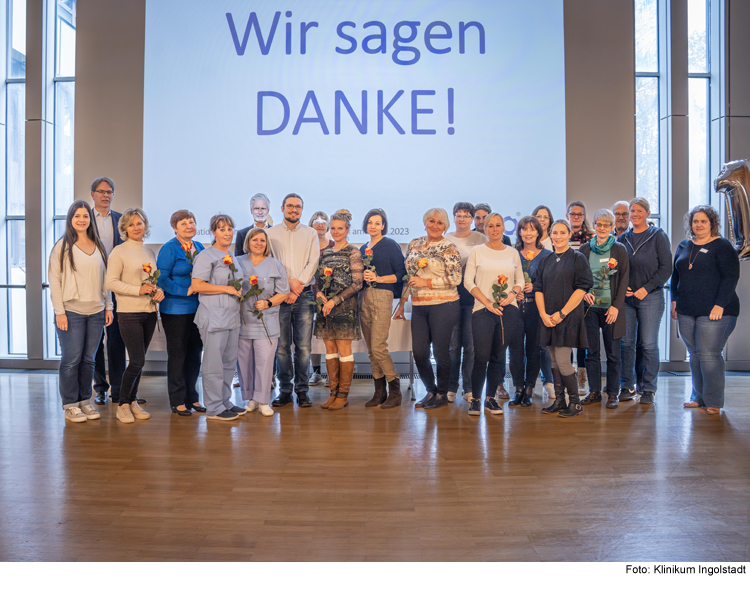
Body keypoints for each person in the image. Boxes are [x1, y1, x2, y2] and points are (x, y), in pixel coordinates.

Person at [671, 205, 739, 415]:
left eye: (703, 221)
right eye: (695, 221)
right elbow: (675, 277)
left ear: (712, 223)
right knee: (694, 355)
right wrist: (674, 301)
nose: (698, 225)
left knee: (709, 354)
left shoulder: (722, 245)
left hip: (716, 311)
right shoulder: (684, 246)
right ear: (691, 224)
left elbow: (730, 277)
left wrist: (719, 304)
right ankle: (697, 397)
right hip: (686, 310)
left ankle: (714, 400)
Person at [49, 201, 113, 423]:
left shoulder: (98, 246)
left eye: (85, 216)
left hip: (96, 312)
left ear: (90, 219)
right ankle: (70, 405)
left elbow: (106, 280)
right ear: (70, 219)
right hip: (71, 311)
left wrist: (108, 306)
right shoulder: (62, 246)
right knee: (71, 359)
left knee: (89, 360)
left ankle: (85, 401)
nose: (82, 220)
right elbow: (54, 281)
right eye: (77, 216)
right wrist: (59, 312)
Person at [394, 208, 461, 410]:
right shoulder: (414, 244)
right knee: (420, 352)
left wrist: (427, 282)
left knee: (441, 353)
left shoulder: (449, 247)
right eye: (432, 221)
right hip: (419, 306)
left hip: (444, 305)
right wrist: (402, 304)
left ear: (445, 226)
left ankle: (442, 393)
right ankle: (430, 390)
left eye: (440, 223)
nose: (435, 225)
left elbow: (456, 278)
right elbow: (409, 276)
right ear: (425, 222)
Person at [105, 208, 164, 423]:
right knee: (137, 360)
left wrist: (157, 291)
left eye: (140, 223)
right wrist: (136, 290)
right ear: (124, 229)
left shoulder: (149, 252)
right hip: (128, 312)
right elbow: (110, 282)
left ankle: (132, 402)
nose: (136, 227)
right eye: (131, 224)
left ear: (145, 226)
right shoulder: (118, 252)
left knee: (140, 361)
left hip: (149, 312)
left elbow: (151, 282)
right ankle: (122, 404)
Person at [464, 213, 525, 416]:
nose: (495, 229)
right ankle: (475, 399)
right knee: (481, 355)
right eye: (490, 225)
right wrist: (488, 302)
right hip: (482, 309)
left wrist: (513, 294)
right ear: (485, 228)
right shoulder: (477, 252)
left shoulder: (513, 253)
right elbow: (468, 282)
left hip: (508, 310)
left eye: (498, 225)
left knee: (498, 355)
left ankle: (490, 399)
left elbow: (520, 281)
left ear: (503, 228)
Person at [191, 214, 249, 421]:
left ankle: (225, 401)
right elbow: (197, 285)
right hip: (213, 316)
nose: (227, 233)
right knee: (213, 364)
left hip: (232, 317)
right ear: (213, 232)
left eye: (230, 228)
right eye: (222, 229)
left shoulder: (232, 256)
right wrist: (227, 289)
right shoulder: (206, 256)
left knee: (228, 363)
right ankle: (214, 407)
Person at [534, 220, 594, 418]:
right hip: (548, 317)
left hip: (567, 317)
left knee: (562, 360)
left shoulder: (578, 258)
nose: (557, 236)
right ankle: (560, 400)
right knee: (552, 360)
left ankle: (575, 403)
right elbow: (538, 289)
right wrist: (543, 314)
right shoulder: (546, 260)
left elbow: (581, 288)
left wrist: (562, 314)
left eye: (562, 232)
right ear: (550, 235)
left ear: (569, 234)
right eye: (554, 233)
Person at [617, 197, 671, 404]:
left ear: (648, 213)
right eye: (632, 211)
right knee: (626, 343)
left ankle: (648, 388)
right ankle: (627, 386)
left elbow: (666, 268)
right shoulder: (623, 239)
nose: (634, 214)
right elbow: (617, 269)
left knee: (648, 344)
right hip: (627, 300)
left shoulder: (658, 236)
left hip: (651, 297)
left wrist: (645, 289)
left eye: (639, 211)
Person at [267, 193, 319, 407]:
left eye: (298, 207)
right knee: (282, 347)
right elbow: (269, 262)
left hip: (303, 295)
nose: (294, 210)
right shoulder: (270, 233)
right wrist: (287, 284)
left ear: (302, 210)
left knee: (304, 347)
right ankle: (285, 391)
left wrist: (297, 288)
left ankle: (303, 391)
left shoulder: (311, 233)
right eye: (290, 206)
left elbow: (313, 261)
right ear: (282, 208)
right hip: (279, 295)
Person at [579, 210, 630, 409]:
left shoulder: (619, 250)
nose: (601, 228)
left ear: (612, 227)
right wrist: (583, 293)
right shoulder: (584, 249)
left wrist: (616, 307)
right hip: (589, 310)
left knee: (613, 354)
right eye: (598, 224)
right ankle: (594, 392)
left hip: (611, 310)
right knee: (591, 353)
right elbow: (578, 278)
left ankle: (612, 393)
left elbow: (624, 278)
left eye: (606, 225)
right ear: (593, 225)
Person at [157, 209, 206, 416]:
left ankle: (192, 397)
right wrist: (183, 291)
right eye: (184, 223)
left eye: (192, 222)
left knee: (195, 354)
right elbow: (161, 278)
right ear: (175, 227)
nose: (189, 226)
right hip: (175, 309)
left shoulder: (200, 247)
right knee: (178, 355)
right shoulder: (169, 248)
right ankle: (177, 400)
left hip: (199, 309)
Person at [237, 228, 290, 417]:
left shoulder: (275, 265)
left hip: (266, 322)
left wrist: (268, 302)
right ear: (248, 242)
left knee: (265, 360)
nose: (259, 243)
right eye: (255, 239)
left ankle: (264, 399)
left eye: (262, 240)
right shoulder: (237, 262)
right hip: (242, 322)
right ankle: (251, 399)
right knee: (245, 362)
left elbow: (284, 292)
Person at [315, 210, 364, 410]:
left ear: (347, 230)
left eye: (339, 228)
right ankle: (333, 393)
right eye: (332, 228)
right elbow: (318, 279)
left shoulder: (353, 252)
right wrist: (319, 293)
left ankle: (343, 395)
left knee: (344, 350)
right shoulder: (326, 252)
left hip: (344, 307)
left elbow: (358, 283)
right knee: (329, 350)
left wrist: (334, 300)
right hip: (325, 307)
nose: (335, 232)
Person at [359, 208, 406, 409]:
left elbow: (401, 274)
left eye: (377, 223)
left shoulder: (390, 245)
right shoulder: (362, 248)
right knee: (371, 349)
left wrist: (378, 279)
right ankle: (379, 392)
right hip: (364, 297)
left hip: (382, 295)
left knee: (378, 346)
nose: (373, 226)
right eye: (370, 222)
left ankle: (395, 389)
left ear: (384, 226)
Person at [445, 202, 488, 403]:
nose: (462, 219)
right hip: (451, 298)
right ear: (453, 218)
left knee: (471, 346)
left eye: (466, 215)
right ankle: (451, 386)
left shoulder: (481, 239)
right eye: (458, 215)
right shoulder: (445, 239)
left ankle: (469, 388)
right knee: (453, 346)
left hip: (474, 298)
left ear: (472, 219)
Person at [510, 216, 553, 407]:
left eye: (532, 229)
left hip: (537, 308)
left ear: (538, 232)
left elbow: (551, 284)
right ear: (519, 232)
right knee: (515, 350)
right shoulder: (511, 254)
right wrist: (514, 290)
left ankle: (529, 389)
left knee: (534, 350)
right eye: (524, 229)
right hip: (515, 308)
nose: (528, 233)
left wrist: (534, 287)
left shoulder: (547, 255)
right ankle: (518, 389)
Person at [90, 177, 126, 405]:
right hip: (92, 285)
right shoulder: (84, 219)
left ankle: (119, 389)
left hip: (116, 286)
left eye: (109, 192)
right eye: (101, 191)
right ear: (92, 194)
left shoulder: (121, 220)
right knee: (96, 340)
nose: (106, 195)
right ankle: (101, 387)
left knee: (116, 340)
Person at [566, 201, 593, 390]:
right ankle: (567, 374)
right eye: (573, 214)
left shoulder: (591, 238)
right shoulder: (561, 235)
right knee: (565, 336)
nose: (576, 217)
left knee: (581, 336)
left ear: (584, 216)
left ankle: (582, 375)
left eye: (580, 214)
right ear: (567, 215)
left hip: (583, 292)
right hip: (563, 293)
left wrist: (585, 290)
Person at [532, 206, 556, 396]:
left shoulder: (554, 241)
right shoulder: (527, 241)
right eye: (538, 216)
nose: (542, 220)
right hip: (529, 299)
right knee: (529, 345)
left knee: (547, 345)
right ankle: (527, 384)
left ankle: (549, 381)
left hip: (551, 300)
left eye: (545, 217)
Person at [308, 211, 333, 386]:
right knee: (311, 336)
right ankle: (316, 373)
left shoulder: (334, 245)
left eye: (323, 221)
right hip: (308, 296)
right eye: (316, 221)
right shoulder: (306, 246)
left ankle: (332, 373)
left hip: (329, 297)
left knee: (329, 335)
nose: (320, 224)